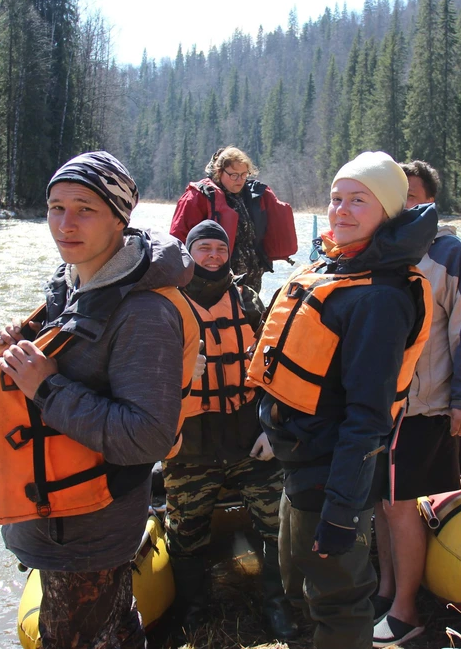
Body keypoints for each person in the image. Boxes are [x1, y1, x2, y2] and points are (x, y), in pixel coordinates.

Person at [0, 151, 199, 649]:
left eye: (85, 209)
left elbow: (147, 436)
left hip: (88, 529)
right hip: (66, 519)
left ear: (120, 219)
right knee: (118, 625)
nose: (65, 223)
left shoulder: (144, 312)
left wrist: (46, 386)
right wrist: (22, 350)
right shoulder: (75, 282)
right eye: (56, 207)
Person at [249, 151, 437, 649]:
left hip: (332, 470)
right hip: (300, 460)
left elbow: (368, 418)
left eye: (360, 200)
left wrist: (340, 511)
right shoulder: (339, 268)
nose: (342, 211)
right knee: (298, 582)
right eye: (336, 198)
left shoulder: (380, 297)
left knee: (337, 598)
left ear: (390, 212)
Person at [371, 160, 461, 646]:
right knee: (381, 502)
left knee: (400, 506)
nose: (403, 204)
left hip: (423, 405)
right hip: (381, 404)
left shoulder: (451, 253)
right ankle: (385, 591)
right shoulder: (380, 251)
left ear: (429, 201)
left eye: (412, 195)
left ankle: (406, 613)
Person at [162, 219, 298, 640]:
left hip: (248, 440)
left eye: (220, 250)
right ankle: (195, 610)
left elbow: (277, 368)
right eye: (204, 248)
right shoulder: (165, 302)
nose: (213, 256)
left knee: (277, 523)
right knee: (185, 532)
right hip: (189, 444)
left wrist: (273, 428)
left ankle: (279, 606)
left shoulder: (249, 299)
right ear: (188, 253)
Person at [170, 146, 298, 292]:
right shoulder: (198, 197)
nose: (240, 180)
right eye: (234, 175)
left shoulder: (253, 196)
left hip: (252, 280)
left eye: (244, 174)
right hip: (214, 281)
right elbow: (177, 239)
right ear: (219, 172)